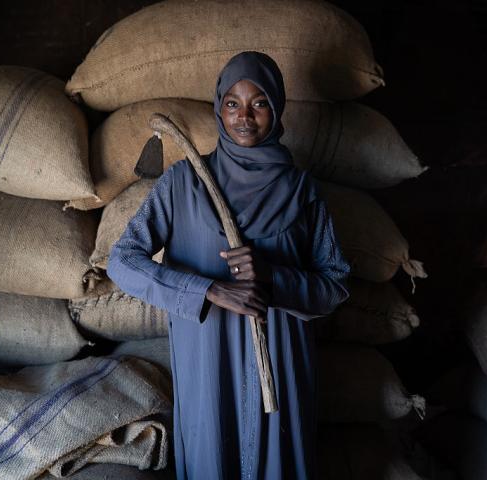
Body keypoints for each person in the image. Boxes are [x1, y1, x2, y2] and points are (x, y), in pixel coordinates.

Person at [107, 51, 350, 479]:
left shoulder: (300, 191)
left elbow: (334, 287)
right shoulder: (185, 183)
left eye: (259, 103)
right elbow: (122, 262)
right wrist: (208, 291)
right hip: (207, 360)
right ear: (219, 108)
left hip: (280, 363)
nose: (244, 116)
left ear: (276, 110)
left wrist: (272, 275)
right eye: (232, 103)